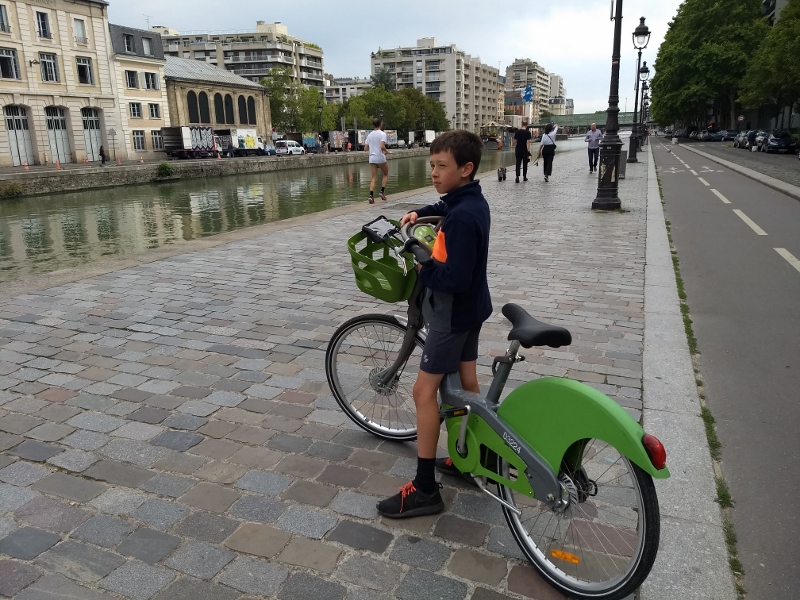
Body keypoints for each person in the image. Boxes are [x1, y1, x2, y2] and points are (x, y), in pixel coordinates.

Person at [376, 130, 492, 518]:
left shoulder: (460, 219)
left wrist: (423, 262)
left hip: (451, 313)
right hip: (473, 309)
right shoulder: (472, 201)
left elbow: (452, 278)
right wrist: (419, 212)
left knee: (424, 393)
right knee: (467, 385)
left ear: (466, 168)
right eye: (432, 166)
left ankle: (425, 488)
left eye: (442, 167)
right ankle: (471, 458)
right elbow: (448, 204)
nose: (435, 173)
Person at [364, 117, 389, 203]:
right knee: (385, 174)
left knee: (374, 178)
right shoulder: (382, 134)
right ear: (380, 124)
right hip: (380, 157)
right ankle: (382, 191)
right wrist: (387, 151)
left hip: (372, 158)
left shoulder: (370, 135)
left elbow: (365, 148)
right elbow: (382, 146)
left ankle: (371, 195)